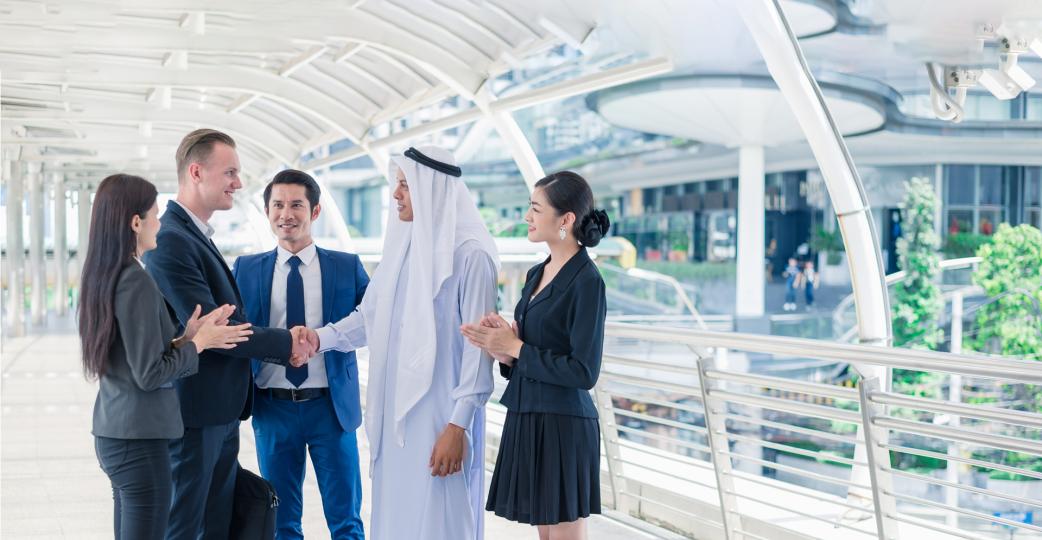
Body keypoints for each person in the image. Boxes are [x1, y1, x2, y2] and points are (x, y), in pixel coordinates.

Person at [295, 146, 498, 540]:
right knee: (396, 516)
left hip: (442, 416)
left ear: (432, 189)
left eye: (406, 186)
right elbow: (368, 321)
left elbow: (480, 349)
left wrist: (458, 426)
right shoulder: (401, 251)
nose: (396, 195)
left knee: (440, 515)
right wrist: (319, 339)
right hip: (394, 414)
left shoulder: (471, 257)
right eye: (397, 185)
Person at [144, 129, 314, 540]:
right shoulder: (171, 240)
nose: (238, 183)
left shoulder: (194, 235)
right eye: (231, 172)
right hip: (194, 413)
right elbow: (213, 327)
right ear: (197, 172)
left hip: (217, 411)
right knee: (185, 524)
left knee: (215, 522)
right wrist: (286, 342)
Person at [80, 174, 253, 540]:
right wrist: (199, 345)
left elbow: (130, 358)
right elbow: (149, 374)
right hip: (141, 440)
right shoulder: (136, 281)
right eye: (155, 215)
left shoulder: (104, 276)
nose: (160, 223)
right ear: (136, 222)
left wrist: (185, 338)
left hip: (115, 432)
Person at [461, 170, 610, 540]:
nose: (527, 216)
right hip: (529, 414)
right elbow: (533, 349)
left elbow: (584, 371)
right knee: (545, 536)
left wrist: (517, 348)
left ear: (566, 220)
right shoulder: (536, 273)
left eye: (535, 208)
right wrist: (505, 346)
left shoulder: (588, 281)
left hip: (564, 424)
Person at [232, 170, 368, 539]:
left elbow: (373, 324)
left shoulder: (346, 266)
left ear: (316, 210)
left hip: (330, 408)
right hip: (272, 409)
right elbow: (236, 334)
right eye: (278, 205)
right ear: (267, 211)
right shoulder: (245, 269)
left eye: (296, 205)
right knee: (280, 523)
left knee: (347, 522)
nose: (286, 214)